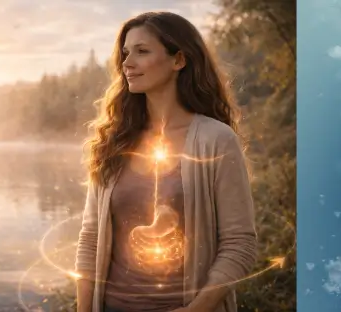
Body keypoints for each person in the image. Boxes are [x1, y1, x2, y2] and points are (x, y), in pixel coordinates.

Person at [74, 11, 258, 312]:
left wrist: (197, 309)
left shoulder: (216, 139)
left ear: (178, 60)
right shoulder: (114, 141)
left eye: (142, 51)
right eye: (125, 53)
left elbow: (240, 243)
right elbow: (90, 238)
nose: (127, 63)